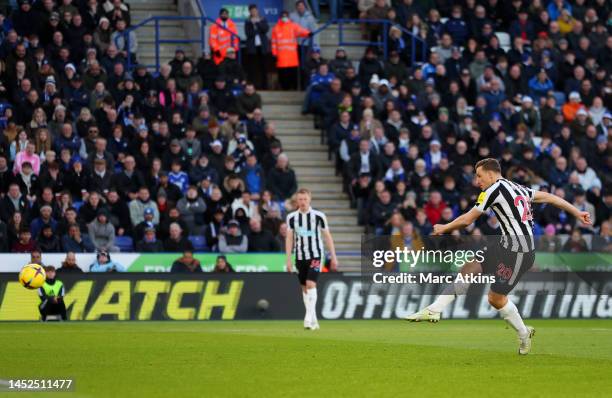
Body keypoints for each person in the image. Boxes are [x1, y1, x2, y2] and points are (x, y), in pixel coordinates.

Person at [406, 158, 592, 355]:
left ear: (491, 174)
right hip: (504, 245)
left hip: (519, 254)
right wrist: (576, 211)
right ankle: (434, 309)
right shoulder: (518, 188)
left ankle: (523, 333)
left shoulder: (493, 190)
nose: (477, 181)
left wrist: (445, 227)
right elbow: (549, 197)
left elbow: (468, 220)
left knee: (495, 299)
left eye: (479, 176)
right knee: (470, 267)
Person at [285, 188, 337, 330]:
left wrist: (333, 257)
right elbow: (289, 239)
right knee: (304, 288)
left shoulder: (319, 216)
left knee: (310, 284)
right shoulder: (291, 218)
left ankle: (307, 317)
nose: (302, 202)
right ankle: (314, 320)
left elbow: (327, 237)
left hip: (315, 255)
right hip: (300, 256)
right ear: (296, 200)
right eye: (300, 199)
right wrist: (288, 259)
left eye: (305, 199)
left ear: (310, 199)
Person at [271, 11, 311, 90]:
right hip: (281, 57)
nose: (284, 18)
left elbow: (301, 31)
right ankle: (284, 89)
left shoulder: (293, 26)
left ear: (288, 17)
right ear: (280, 17)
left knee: (293, 74)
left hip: (292, 56)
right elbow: (273, 43)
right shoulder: (276, 28)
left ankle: (294, 88)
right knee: (283, 75)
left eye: (286, 16)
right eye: (283, 16)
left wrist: (308, 33)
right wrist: (274, 54)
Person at [244, 4, 270, 89]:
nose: (254, 12)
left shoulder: (263, 19)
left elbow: (265, 29)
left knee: (264, 67)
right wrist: (255, 29)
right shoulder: (247, 21)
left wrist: (258, 23)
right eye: (252, 11)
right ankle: (252, 86)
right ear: (250, 12)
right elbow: (248, 34)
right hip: (252, 49)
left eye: (255, 10)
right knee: (252, 68)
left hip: (262, 48)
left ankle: (264, 86)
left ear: (257, 11)